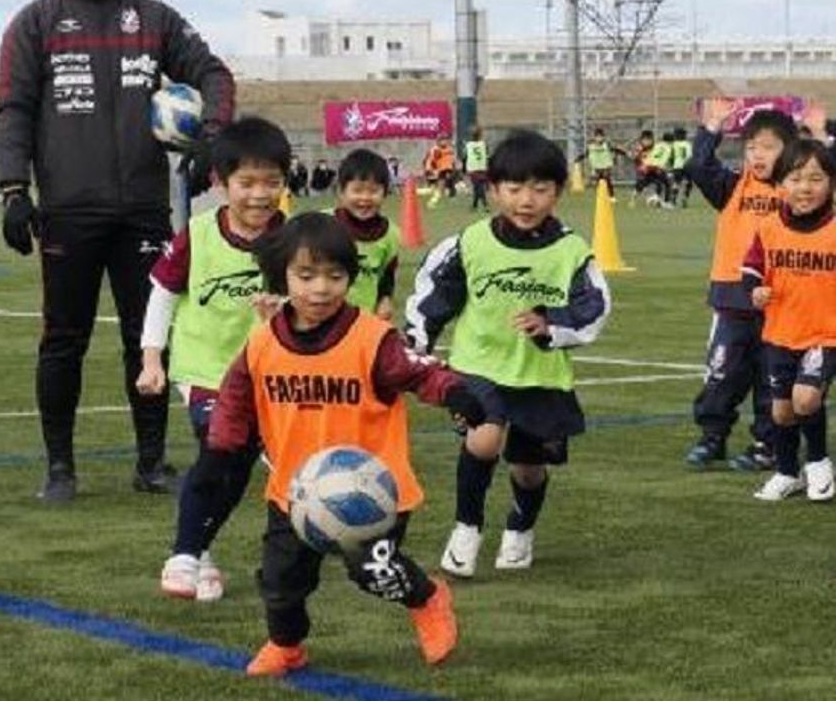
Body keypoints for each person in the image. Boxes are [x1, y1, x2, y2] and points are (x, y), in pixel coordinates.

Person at [0, 0, 235, 502]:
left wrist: (212, 137)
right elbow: (14, 109)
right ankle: (60, 469)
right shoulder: (36, 21)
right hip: (69, 212)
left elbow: (214, 74)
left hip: (143, 211)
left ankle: (151, 464)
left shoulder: (153, 20)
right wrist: (13, 189)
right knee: (62, 340)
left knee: (145, 336)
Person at [200, 212, 485, 675]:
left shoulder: (372, 339)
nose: (320, 289)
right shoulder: (261, 343)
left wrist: (453, 391)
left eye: (335, 276)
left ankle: (427, 597)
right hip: (294, 492)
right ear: (282, 278)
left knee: (373, 573)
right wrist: (222, 448)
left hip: (371, 491)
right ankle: (286, 645)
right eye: (306, 276)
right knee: (280, 582)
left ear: (350, 278)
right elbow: (235, 398)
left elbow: (420, 369)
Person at [405, 130, 612, 577]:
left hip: (540, 373)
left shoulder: (572, 250)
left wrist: (550, 324)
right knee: (483, 437)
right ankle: (466, 528)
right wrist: (417, 343)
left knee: (528, 469)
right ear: (494, 189)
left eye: (540, 189)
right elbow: (433, 294)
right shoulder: (470, 242)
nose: (526, 200)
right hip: (479, 365)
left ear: (557, 191)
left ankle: (520, 528)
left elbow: (593, 309)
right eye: (514, 189)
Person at [140, 117, 290, 603]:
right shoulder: (198, 234)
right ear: (221, 184)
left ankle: (201, 549)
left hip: (266, 373)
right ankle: (183, 554)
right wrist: (151, 359)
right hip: (205, 369)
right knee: (219, 445)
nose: (259, 195)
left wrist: (281, 315)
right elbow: (163, 292)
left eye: (272, 182)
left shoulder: (293, 240)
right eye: (246, 183)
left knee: (239, 465)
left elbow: (315, 301)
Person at [682, 99, 801, 470]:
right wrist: (712, 128)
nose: (757, 155)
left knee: (772, 379)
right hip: (732, 301)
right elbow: (697, 166)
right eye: (751, 147)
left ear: (789, 151)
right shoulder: (734, 187)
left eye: (768, 147)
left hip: (779, 304)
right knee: (722, 374)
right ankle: (712, 437)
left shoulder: (796, 193)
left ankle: (767, 444)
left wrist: (816, 136)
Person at [742, 137, 835, 502]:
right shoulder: (768, 228)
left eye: (816, 178)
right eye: (796, 179)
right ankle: (786, 472)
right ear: (780, 185)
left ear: (830, 183)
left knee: (806, 399)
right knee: (781, 412)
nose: (805, 188)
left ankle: (818, 463)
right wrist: (755, 290)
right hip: (781, 333)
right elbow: (751, 270)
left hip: (824, 334)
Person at [332, 148, 399, 320]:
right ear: (341, 192)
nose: (365, 198)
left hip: (364, 320)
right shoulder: (324, 224)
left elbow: (387, 275)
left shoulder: (390, 234)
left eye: (373, 191)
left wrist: (385, 299)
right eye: (357, 190)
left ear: (385, 192)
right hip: (324, 317)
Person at [575, 126, 626, 201]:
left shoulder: (606, 145)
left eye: (601, 136)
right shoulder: (591, 146)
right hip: (597, 167)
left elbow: (615, 150)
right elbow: (586, 154)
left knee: (607, 179)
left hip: (606, 166)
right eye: (597, 137)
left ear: (603, 137)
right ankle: (600, 196)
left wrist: (623, 153)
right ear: (595, 137)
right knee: (598, 181)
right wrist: (578, 159)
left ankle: (612, 196)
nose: (599, 138)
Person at [629, 129, 672, 208]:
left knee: (664, 183)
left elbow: (660, 157)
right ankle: (633, 199)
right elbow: (636, 159)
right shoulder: (640, 149)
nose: (647, 142)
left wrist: (661, 165)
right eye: (645, 140)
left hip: (655, 169)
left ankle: (662, 200)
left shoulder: (656, 147)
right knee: (640, 186)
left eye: (649, 140)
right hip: (646, 171)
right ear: (641, 140)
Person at [463, 125, 489, 211]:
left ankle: (485, 204)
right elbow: (487, 154)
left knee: (478, 187)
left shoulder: (468, 145)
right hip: (482, 167)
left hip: (473, 168)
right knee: (478, 186)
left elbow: (464, 156)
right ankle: (474, 206)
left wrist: (464, 168)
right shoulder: (483, 144)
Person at [669, 126, 693, 207]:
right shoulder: (687, 144)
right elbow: (689, 156)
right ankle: (684, 197)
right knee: (688, 183)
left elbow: (671, 157)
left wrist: (672, 166)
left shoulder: (673, 144)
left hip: (677, 166)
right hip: (686, 166)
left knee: (676, 183)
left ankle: (673, 199)